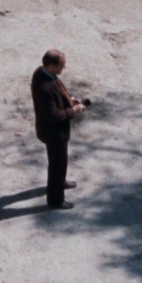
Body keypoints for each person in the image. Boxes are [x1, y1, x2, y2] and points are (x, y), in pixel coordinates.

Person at [30, 49, 86, 210]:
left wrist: (70, 99)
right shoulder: (44, 86)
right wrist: (73, 111)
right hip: (53, 132)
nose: (63, 68)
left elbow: (58, 87)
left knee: (61, 162)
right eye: (61, 66)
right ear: (51, 66)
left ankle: (60, 182)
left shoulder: (43, 73)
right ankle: (55, 200)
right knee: (57, 164)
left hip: (56, 131)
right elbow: (53, 115)